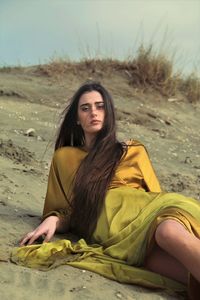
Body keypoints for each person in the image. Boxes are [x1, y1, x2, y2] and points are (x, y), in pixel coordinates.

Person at [11, 81, 200, 299]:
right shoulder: (65, 158)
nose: (94, 112)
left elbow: (157, 198)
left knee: (167, 232)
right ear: (76, 118)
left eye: (100, 106)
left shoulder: (133, 150)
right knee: (184, 274)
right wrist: (53, 219)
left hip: (149, 216)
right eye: (85, 108)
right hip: (117, 240)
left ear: (108, 113)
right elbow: (67, 211)